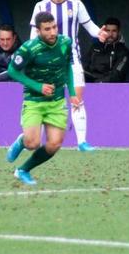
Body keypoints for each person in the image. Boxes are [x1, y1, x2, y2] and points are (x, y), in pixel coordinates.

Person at [29, 0, 109, 152]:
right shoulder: (40, 6)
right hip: (46, 62)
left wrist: (100, 34)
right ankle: (33, 140)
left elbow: (90, 26)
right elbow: (33, 36)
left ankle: (82, 142)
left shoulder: (76, 4)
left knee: (77, 99)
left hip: (72, 60)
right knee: (44, 101)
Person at [5, 12, 78, 186]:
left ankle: (23, 170)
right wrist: (38, 86)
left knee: (54, 144)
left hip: (57, 101)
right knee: (32, 143)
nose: (52, 32)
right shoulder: (29, 48)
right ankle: (21, 141)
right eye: (47, 29)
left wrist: (73, 93)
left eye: (54, 27)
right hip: (34, 101)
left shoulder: (65, 43)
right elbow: (12, 70)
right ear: (38, 31)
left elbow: (67, 66)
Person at [83, 17, 129, 83]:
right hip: (90, 84)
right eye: (108, 30)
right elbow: (84, 67)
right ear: (103, 31)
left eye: (114, 31)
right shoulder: (95, 47)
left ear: (119, 32)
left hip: (111, 88)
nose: (110, 34)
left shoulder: (124, 52)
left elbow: (117, 74)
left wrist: (99, 83)